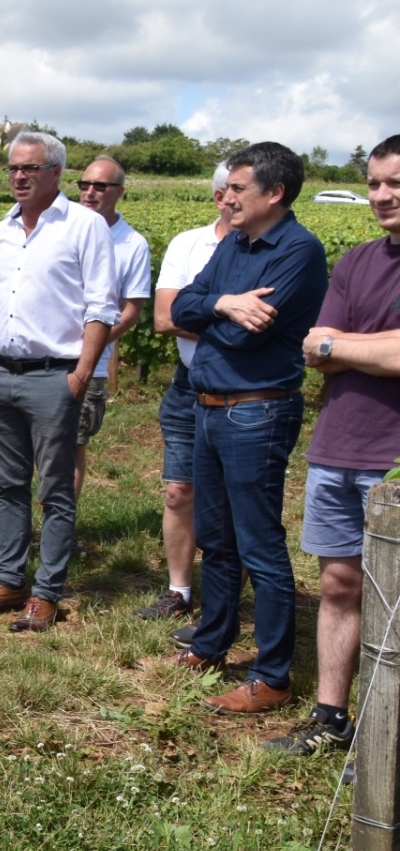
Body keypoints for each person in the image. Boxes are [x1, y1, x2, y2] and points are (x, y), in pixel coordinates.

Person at [164, 142, 329, 714]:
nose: (226, 197)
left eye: (237, 188)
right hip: (209, 406)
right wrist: (225, 303)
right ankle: (212, 643)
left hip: (256, 411)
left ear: (274, 193)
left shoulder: (300, 251)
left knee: (259, 544)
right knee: (216, 538)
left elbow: (242, 335)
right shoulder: (235, 243)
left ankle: (273, 675)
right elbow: (180, 308)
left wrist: (217, 313)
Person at [267, 136, 400, 756]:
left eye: (394, 183)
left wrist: (344, 347)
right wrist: (355, 350)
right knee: (339, 586)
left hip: (393, 460)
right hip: (338, 446)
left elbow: (342, 347)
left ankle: (386, 739)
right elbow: (313, 347)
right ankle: (330, 719)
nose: (381, 196)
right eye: (373, 183)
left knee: (394, 599)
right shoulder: (357, 262)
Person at [0, 132, 116, 632]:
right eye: (12, 169)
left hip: (54, 377)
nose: (19, 177)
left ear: (55, 173)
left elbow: (101, 306)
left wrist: (81, 375)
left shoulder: (85, 226)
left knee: (54, 490)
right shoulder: (3, 228)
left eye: (30, 168)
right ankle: (9, 581)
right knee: (8, 486)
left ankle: (47, 591)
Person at [139, 162, 232, 623]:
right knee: (179, 491)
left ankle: (227, 590)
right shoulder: (188, 244)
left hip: (243, 391)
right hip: (188, 385)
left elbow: (274, 324)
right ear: (219, 197)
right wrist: (231, 317)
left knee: (232, 496)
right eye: (230, 191)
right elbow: (164, 318)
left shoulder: (273, 250)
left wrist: (198, 315)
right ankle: (179, 590)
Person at [71, 157, 151, 497]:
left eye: (99, 186)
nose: (89, 192)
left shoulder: (132, 244)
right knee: (21, 444)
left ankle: (59, 527)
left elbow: (131, 311)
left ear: (119, 192)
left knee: (71, 445)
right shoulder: (60, 229)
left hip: (87, 362)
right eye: (84, 184)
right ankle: (7, 516)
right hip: (40, 355)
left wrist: (89, 345)